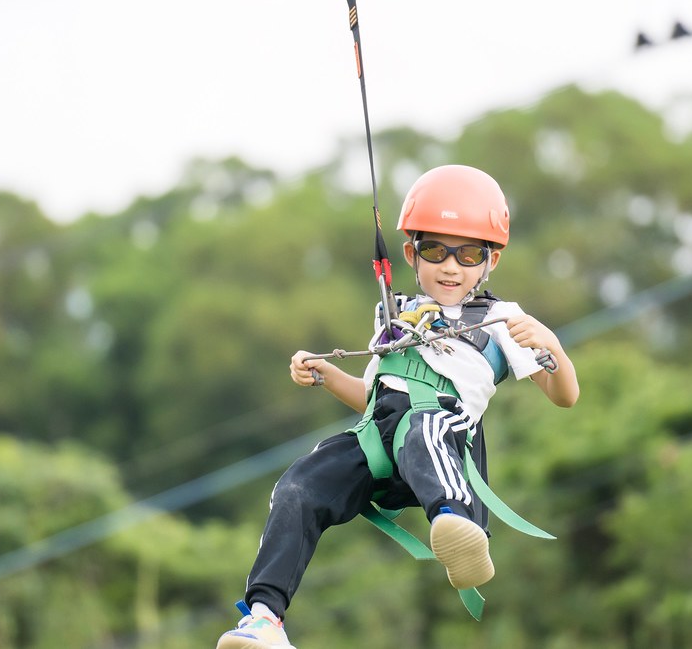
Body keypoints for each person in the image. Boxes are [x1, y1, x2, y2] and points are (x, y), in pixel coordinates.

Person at [216, 164, 579, 649]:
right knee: (298, 485)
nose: (451, 267)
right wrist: (326, 375)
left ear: (490, 260)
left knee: (422, 426)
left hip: (442, 436)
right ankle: (265, 620)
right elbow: (372, 397)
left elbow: (564, 396)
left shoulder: (500, 319)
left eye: (469, 254)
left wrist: (552, 347)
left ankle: (457, 523)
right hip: (378, 435)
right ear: (412, 253)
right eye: (435, 251)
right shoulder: (395, 313)